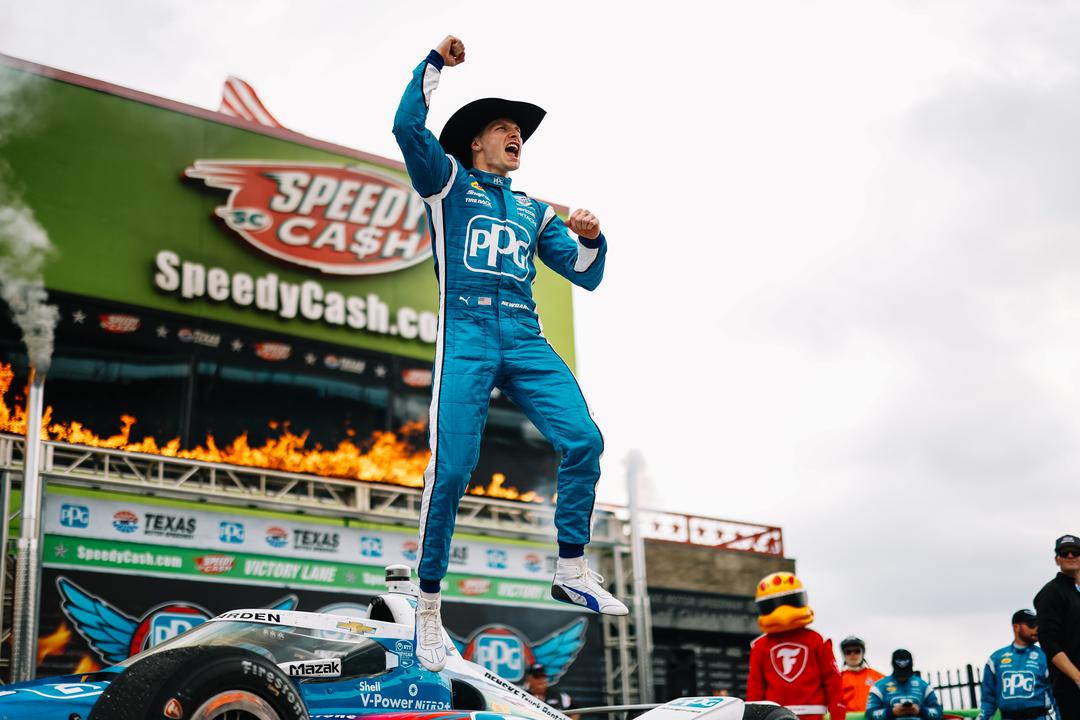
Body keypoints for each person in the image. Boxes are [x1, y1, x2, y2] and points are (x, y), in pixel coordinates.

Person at [393, 35, 627, 672]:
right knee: (451, 470)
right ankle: (429, 607)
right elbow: (405, 125)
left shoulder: (532, 211)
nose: (515, 134)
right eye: (503, 128)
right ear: (476, 142)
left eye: (519, 130)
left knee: (584, 440)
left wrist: (592, 237)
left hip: (525, 336)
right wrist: (435, 64)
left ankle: (572, 567)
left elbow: (585, 274)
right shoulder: (446, 185)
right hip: (466, 335)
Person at [746, 572, 846, 720]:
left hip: (810, 715)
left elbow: (833, 683)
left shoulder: (818, 640)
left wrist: (837, 714)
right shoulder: (760, 646)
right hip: (776, 715)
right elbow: (755, 688)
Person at [977, 609, 1060, 720]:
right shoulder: (996, 659)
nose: (1036, 629)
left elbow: (1056, 697)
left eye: (1038, 625)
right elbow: (988, 701)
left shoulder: (1044, 657)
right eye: (1031, 625)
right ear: (1016, 627)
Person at [1034, 534, 1080, 718]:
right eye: (1064, 552)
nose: (1070, 556)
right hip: (1072, 688)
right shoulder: (1051, 593)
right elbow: (1047, 641)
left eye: (1075, 552)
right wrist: (1077, 676)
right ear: (1057, 559)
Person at [865, 649, 943, 720]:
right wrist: (892, 712)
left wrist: (920, 711)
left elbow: (939, 713)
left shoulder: (924, 686)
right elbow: (869, 715)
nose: (903, 677)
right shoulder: (879, 687)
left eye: (906, 673)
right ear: (893, 666)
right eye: (900, 674)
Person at [839, 635, 884, 712]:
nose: (852, 654)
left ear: (862, 653)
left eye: (857, 651)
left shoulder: (879, 677)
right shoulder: (836, 679)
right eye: (848, 652)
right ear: (844, 655)